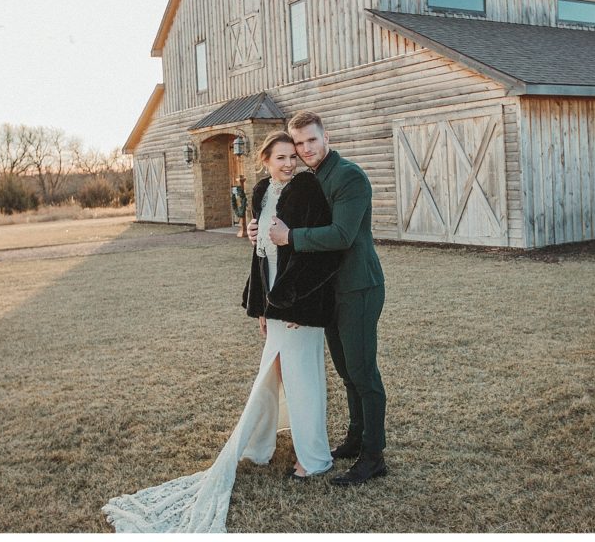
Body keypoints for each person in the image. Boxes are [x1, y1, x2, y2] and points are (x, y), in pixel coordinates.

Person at [102, 131, 341, 533]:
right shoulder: (262, 192)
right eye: (280, 157)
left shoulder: (309, 190)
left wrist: (302, 306)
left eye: (292, 157)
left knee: (304, 381)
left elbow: (318, 256)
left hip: (302, 307)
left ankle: (312, 459)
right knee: (273, 376)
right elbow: (262, 258)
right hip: (276, 305)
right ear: (264, 159)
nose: (288, 163)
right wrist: (262, 307)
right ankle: (261, 445)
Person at [249, 111, 388, 486]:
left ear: (325, 137)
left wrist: (290, 237)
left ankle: (374, 457)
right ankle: (356, 439)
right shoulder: (311, 180)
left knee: (363, 372)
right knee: (345, 371)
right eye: (298, 144)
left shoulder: (348, 177)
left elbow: (342, 234)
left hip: (357, 287)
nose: (305, 149)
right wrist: (259, 231)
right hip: (326, 292)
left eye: (311, 140)